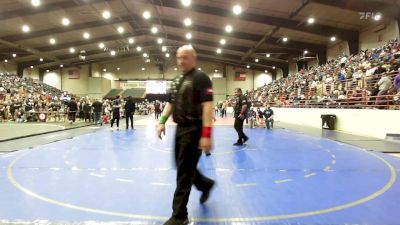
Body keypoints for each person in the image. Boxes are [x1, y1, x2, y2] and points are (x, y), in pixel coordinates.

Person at [157, 45, 215, 225]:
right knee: (182, 165)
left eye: (185, 57)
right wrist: (161, 121)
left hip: (195, 129)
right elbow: (170, 103)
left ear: (194, 58)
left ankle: (179, 216)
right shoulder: (176, 80)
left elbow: (207, 107)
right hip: (180, 128)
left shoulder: (201, 78)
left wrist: (206, 134)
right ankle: (205, 184)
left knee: (183, 172)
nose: (181, 61)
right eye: (179, 57)